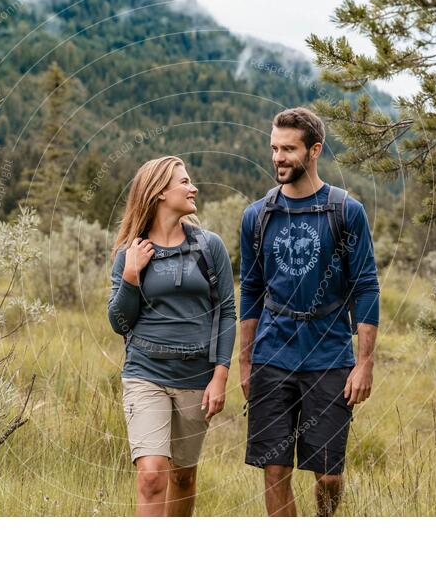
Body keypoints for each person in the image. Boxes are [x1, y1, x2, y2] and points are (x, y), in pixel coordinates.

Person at [238, 107, 380, 516]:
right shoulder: (257, 216)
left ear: (314, 150)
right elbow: (250, 289)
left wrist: (364, 363)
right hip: (272, 356)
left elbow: (366, 286)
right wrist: (245, 361)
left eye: (288, 149)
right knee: (274, 469)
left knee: (328, 475)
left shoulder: (344, 211)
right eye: (274, 148)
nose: (278, 158)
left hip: (329, 356)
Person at [108, 155, 237, 517]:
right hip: (144, 373)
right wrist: (131, 277)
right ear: (160, 192)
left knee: (183, 477)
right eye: (184, 182)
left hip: (196, 378)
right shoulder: (129, 253)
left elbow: (226, 312)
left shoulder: (209, 247)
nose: (193, 187)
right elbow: (119, 322)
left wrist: (220, 376)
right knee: (151, 476)